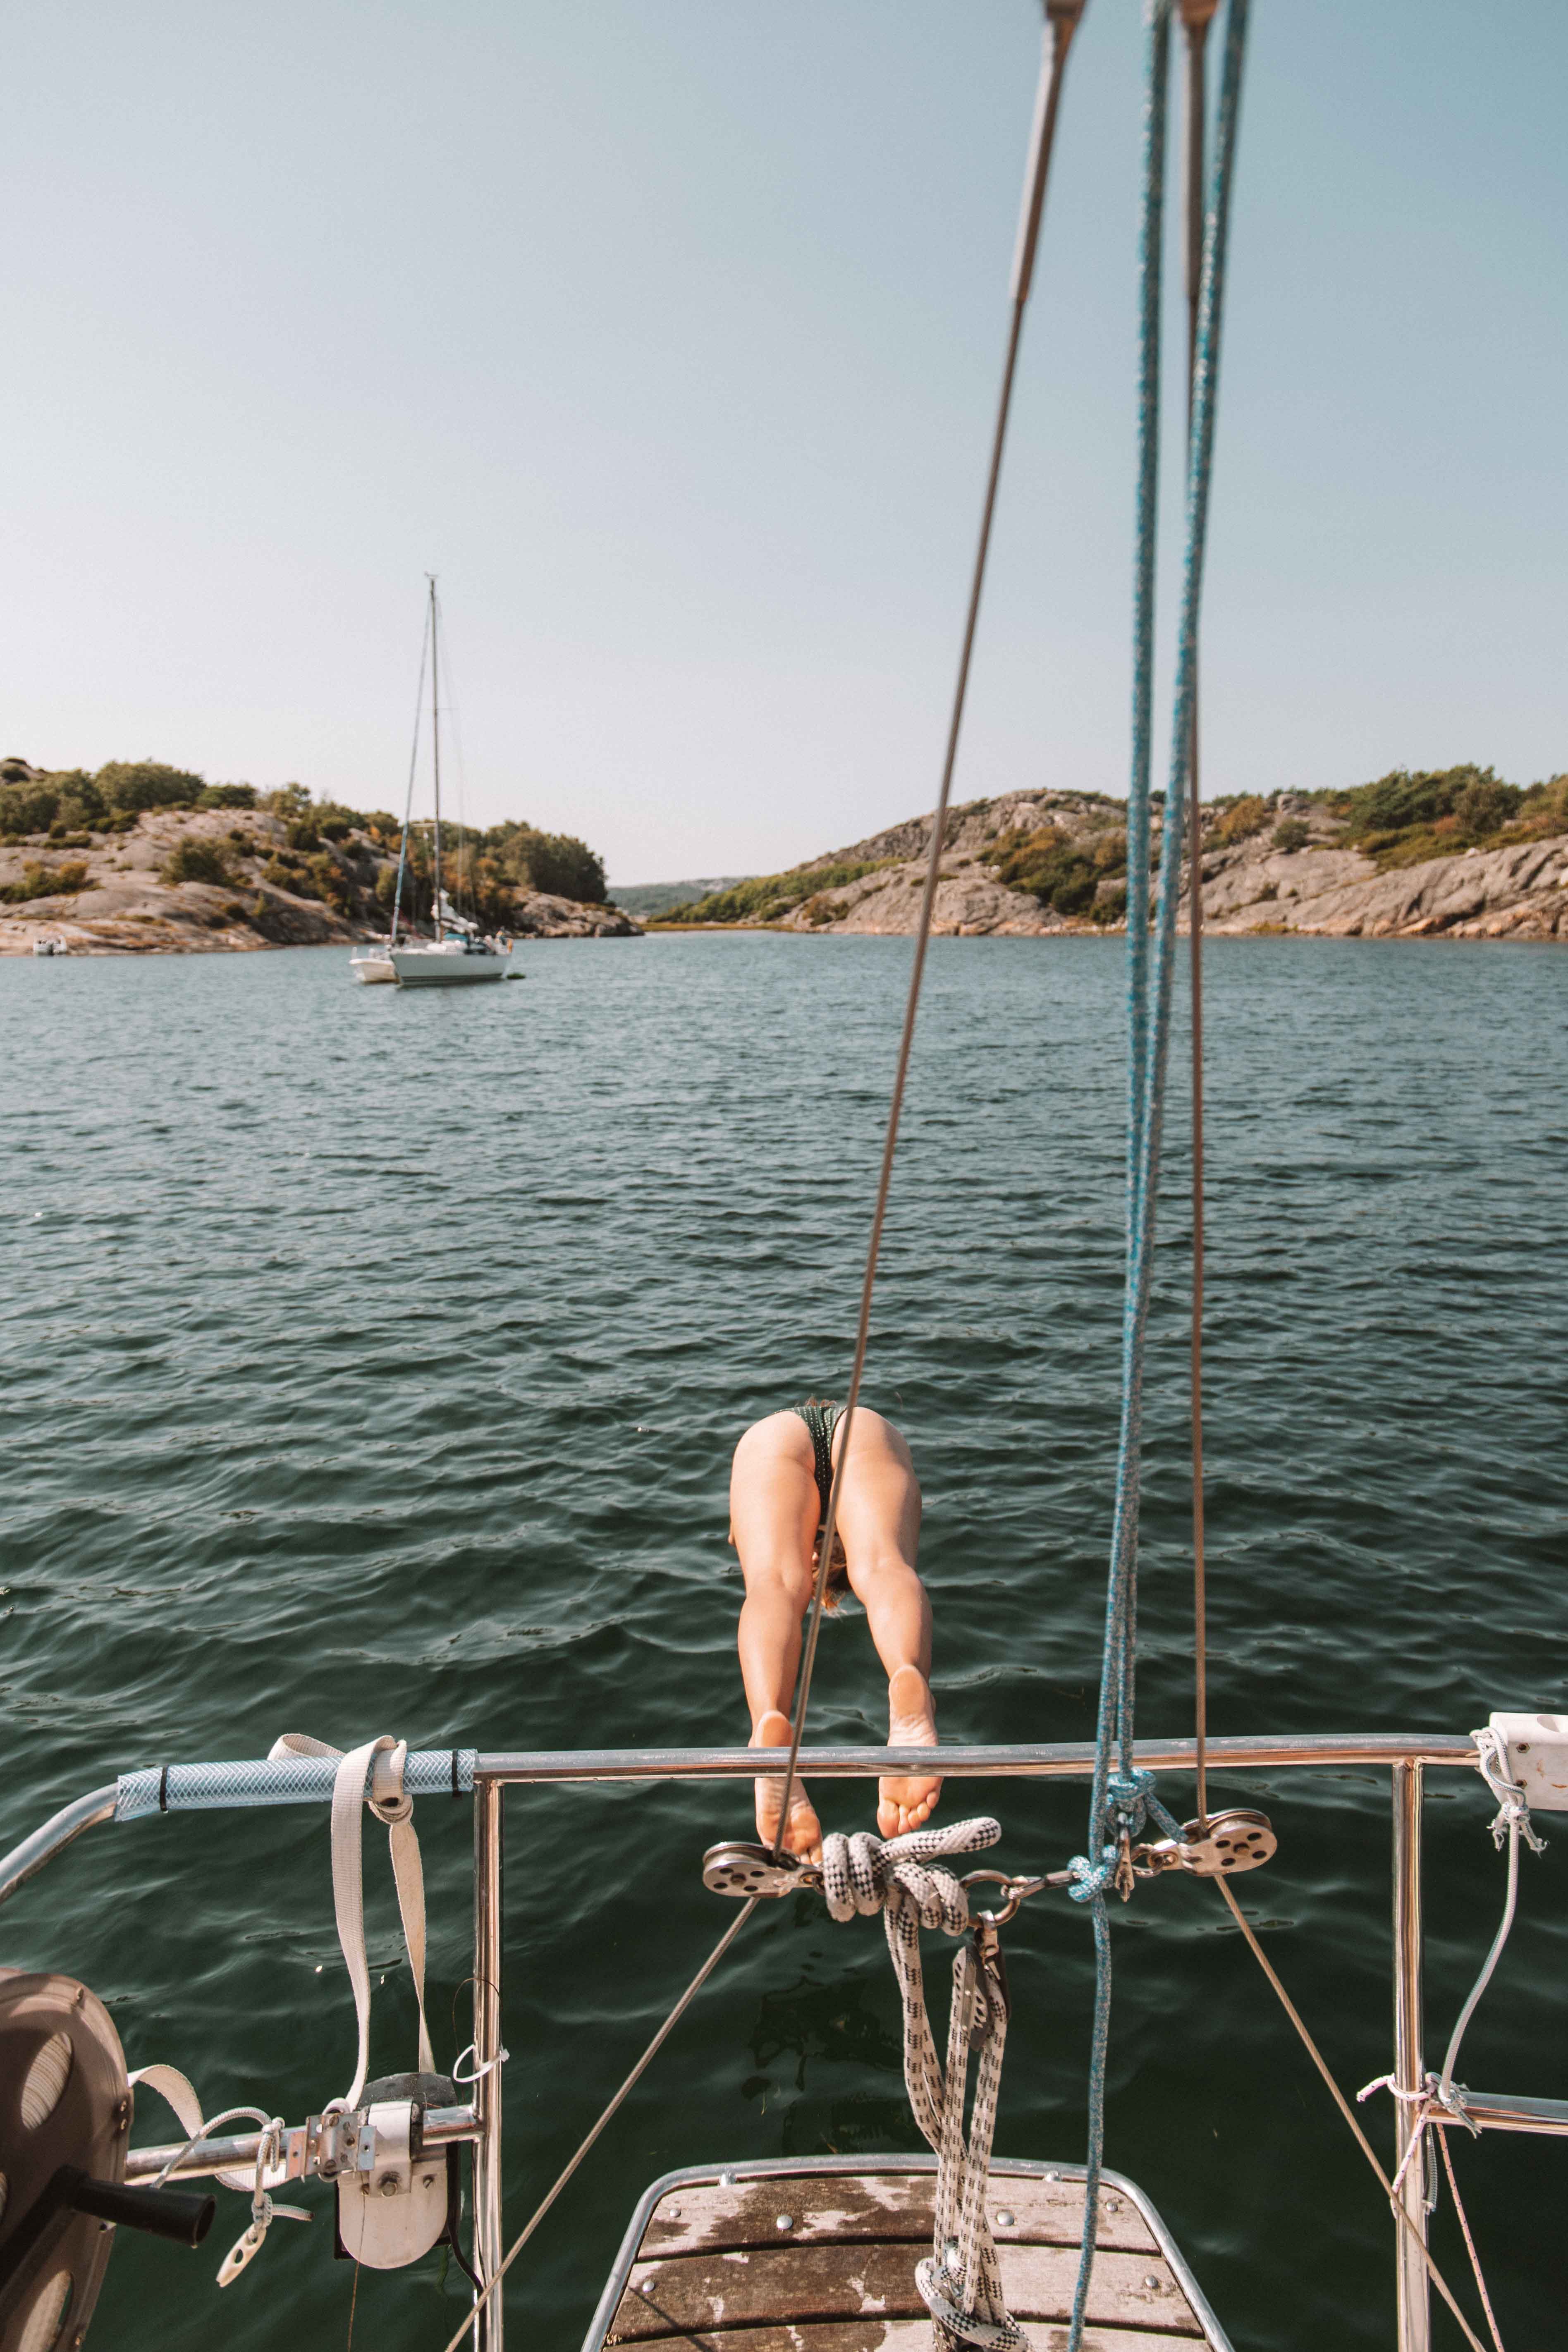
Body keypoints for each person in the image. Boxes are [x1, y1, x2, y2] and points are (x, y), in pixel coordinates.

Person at [728, 1399, 940, 1863]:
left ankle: (768, 1724)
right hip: (863, 1429)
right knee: (886, 1566)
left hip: (776, 1435)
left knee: (774, 1587)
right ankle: (907, 1676)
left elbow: (758, 1556)